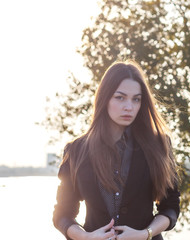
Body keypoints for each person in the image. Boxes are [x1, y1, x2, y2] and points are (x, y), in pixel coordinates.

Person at [53, 60, 180, 240]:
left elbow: (171, 207)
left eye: (136, 99)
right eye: (120, 97)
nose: (129, 107)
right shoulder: (76, 150)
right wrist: (86, 237)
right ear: (105, 98)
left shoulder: (159, 145)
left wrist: (145, 234)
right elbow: (62, 214)